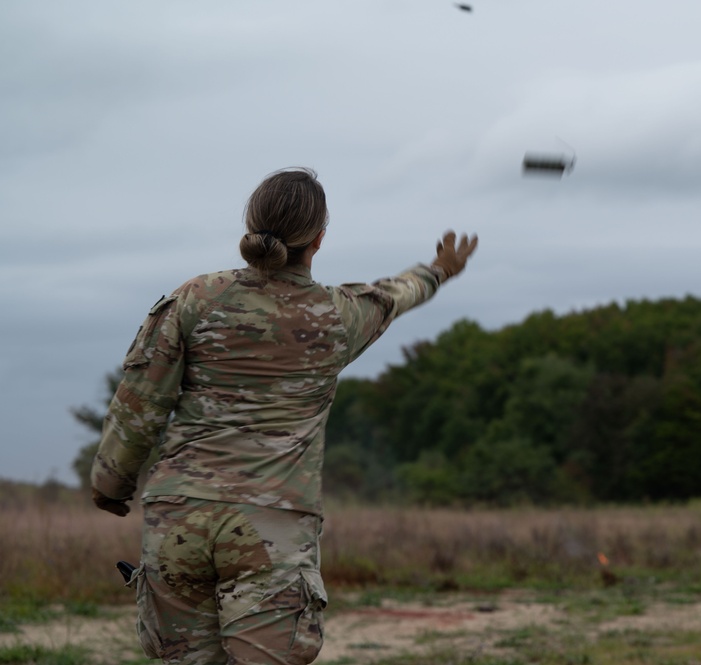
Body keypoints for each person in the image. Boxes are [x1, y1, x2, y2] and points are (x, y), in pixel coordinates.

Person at [90, 167, 478, 664]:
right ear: (318, 240)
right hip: (271, 528)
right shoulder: (338, 316)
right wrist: (440, 269)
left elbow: (139, 403)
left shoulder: (194, 299)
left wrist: (111, 483)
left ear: (249, 227)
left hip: (179, 519)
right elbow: (395, 294)